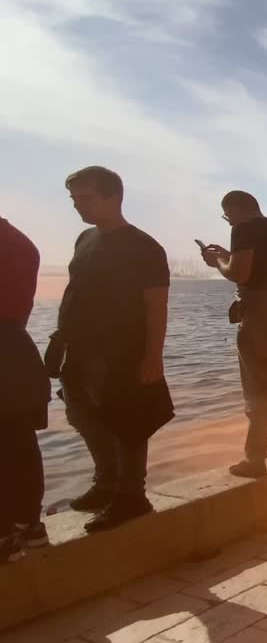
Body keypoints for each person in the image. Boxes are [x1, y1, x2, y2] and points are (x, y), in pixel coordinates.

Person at [46, 166, 173, 532]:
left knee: (128, 423)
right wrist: (59, 338)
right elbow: (76, 293)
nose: (77, 206)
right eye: (74, 199)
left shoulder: (144, 247)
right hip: (79, 350)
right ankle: (107, 483)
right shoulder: (85, 239)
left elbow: (156, 305)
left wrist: (153, 357)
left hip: (122, 350)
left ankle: (132, 496)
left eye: (85, 198)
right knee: (82, 415)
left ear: (113, 197)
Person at [203, 191, 267, 478]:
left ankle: (255, 460)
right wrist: (227, 255)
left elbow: (241, 274)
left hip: (262, 320)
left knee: (258, 392)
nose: (228, 222)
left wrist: (217, 264)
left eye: (227, 216)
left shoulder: (243, 228)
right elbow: (266, 268)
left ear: (235, 209)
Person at [0, 216, 50, 559]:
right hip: (16, 346)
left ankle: (6, 536)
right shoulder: (20, 241)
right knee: (19, 442)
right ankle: (29, 526)